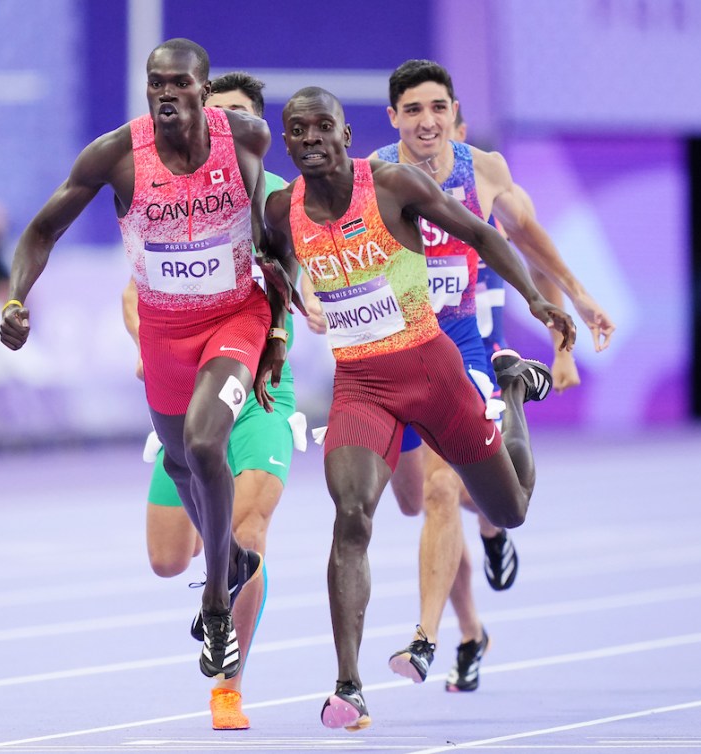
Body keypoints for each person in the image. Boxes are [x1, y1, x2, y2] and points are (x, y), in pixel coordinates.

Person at [260, 86, 575, 731]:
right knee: (351, 515)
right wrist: (281, 321)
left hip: (431, 370)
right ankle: (349, 684)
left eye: (325, 127)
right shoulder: (278, 209)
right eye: (299, 130)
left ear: (347, 136)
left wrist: (536, 303)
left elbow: (483, 235)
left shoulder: (392, 185)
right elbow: (276, 264)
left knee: (508, 510)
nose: (312, 138)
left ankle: (509, 390)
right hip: (361, 387)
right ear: (286, 143)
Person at [0, 39, 296, 681]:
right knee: (182, 459)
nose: (165, 95)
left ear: (202, 89)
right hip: (166, 330)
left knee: (204, 439)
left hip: (234, 317)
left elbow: (276, 238)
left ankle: (218, 601)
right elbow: (42, 230)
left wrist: (275, 333)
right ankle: (231, 566)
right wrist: (17, 298)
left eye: (179, 84)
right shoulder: (116, 156)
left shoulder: (244, 136)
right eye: (154, 84)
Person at [373, 61, 615, 695]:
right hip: (392, 353)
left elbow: (533, 240)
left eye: (438, 108)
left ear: (455, 113)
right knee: (416, 499)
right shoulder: (371, 176)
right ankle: (477, 607)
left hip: (466, 346)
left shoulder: (484, 173)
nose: (427, 121)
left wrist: (578, 306)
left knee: (440, 492)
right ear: (394, 117)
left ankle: (428, 638)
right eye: (414, 110)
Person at [121, 71, 322, 730]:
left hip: (260, 390)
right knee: (165, 559)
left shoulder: (279, 201)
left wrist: (308, 302)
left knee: (248, 529)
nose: (225, 128)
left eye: (240, 118)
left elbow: (308, 272)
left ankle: (228, 687)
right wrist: (146, 343)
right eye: (218, 114)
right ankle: (220, 573)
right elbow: (134, 291)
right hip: (186, 388)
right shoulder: (177, 190)